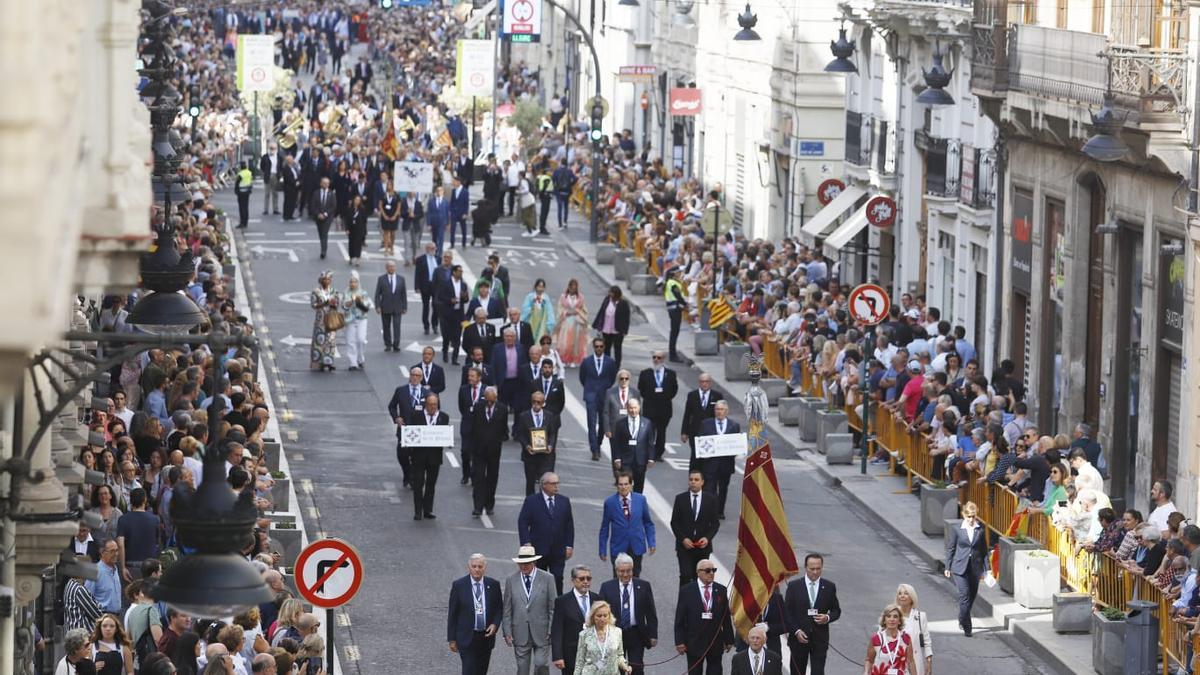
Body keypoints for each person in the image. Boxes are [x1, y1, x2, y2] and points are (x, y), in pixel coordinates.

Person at [599, 554, 658, 675]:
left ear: (633, 569)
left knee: (636, 668)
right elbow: (600, 614)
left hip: (636, 634)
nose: (625, 574)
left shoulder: (643, 586)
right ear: (616, 571)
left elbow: (651, 612)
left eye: (628, 571)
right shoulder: (607, 587)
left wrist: (653, 634)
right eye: (622, 571)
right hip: (614, 635)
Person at [517, 472, 574, 595]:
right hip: (538, 550)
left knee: (558, 578)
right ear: (544, 485)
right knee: (539, 581)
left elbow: (569, 525)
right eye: (553, 483)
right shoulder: (531, 501)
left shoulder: (564, 501)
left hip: (558, 550)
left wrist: (569, 545)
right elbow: (523, 522)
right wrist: (526, 543)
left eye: (558, 483)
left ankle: (557, 606)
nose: (556, 486)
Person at [674, 559, 735, 674]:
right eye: (708, 570)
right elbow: (680, 619)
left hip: (715, 642)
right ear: (698, 572)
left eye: (713, 570)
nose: (711, 573)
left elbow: (725, 617)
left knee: (715, 671)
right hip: (694, 642)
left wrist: (729, 639)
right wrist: (679, 641)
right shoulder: (687, 591)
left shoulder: (721, 590)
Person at [784, 553, 841, 675]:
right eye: (812, 569)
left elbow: (836, 611)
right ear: (805, 568)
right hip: (798, 640)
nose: (815, 572)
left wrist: (827, 617)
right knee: (797, 671)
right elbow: (787, 613)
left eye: (818, 569)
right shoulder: (794, 586)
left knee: (818, 672)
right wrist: (796, 631)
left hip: (819, 640)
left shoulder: (829, 587)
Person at [502, 545, 556, 675]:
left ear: (534, 562)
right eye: (521, 563)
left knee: (541, 664)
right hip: (520, 632)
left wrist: (551, 629)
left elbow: (553, 607)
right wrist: (507, 631)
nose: (523, 566)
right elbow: (507, 608)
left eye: (527, 563)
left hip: (542, 632)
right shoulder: (511, 580)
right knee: (522, 670)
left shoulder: (548, 578)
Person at [447, 553, 502, 675]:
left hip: (485, 637)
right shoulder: (459, 586)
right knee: (468, 671)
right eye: (474, 566)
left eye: (480, 566)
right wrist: (452, 639)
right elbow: (453, 613)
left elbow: (499, 608)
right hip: (466, 637)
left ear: (484, 568)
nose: (477, 569)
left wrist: (495, 624)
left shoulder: (493, 585)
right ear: (469, 567)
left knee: (481, 671)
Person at [599, 472, 656, 576]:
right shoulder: (610, 502)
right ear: (617, 485)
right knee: (618, 579)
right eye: (620, 484)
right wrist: (602, 549)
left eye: (626, 484)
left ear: (631, 484)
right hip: (618, 547)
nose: (623, 487)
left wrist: (651, 542)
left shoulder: (641, 500)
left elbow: (648, 523)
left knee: (635, 577)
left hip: (636, 546)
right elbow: (605, 527)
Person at [944, 501, 987, 637]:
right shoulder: (957, 529)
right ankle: (967, 626)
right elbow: (951, 548)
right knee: (964, 595)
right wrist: (948, 566)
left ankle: (962, 617)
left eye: (973, 516)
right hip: (959, 567)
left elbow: (984, 551)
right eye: (968, 516)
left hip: (975, 568)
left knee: (972, 596)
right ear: (963, 515)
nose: (971, 519)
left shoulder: (980, 529)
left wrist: (988, 570)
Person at [670, 472, 720, 587]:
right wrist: (683, 539)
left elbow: (715, 524)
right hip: (685, 546)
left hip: (702, 547)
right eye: (691, 479)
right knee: (686, 575)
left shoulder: (711, 500)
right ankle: (683, 603)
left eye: (696, 479)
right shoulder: (680, 498)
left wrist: (707, 538)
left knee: (700, 577)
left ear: (702, 482)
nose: (693, 482)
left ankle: (697, 603)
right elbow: (674, 522)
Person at [552, 565, 602, 674]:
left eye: (588, 578)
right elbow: (557, 630)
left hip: (594, 654)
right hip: (571, 654)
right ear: (573, 580)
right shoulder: (562, 601)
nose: (585, 581)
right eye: (581, 578)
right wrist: (557, 656)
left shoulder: (597, 599)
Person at [406, 393, 449, 520]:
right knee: (418, 484)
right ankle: (418, 511)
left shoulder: (443, 417)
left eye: (434, 405)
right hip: (418, 457)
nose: (432, 407)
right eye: (430, 405)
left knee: (431, 485)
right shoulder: (416, 415)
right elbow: (410, 433)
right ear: (426, 404)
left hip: (434, 458)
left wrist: (447, 440)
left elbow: (444, 435)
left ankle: (428, 510)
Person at [388, 366, 430, 487]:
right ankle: (407, 473)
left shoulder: (427, 393)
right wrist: (396, 417)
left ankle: (413, 478)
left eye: (417, 376)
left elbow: (434, 409)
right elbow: (391, 406)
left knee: (417, 456)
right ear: (409, 376)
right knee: (402, 455)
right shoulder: (401, 390)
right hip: (404, 429)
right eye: (413, 375)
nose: (415, 377)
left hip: (420, 430)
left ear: (421, 378)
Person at [698, 402, 740, 519]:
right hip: (710, 463)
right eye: (717, 409)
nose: (719, 412)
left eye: (722, 409)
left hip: (726, 464)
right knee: (709, 489)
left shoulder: (734, 425)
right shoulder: (706, 424)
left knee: (723, 489)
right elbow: (701, 441)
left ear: (726, 411)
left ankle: (720, 511)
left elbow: (737, 443)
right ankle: (709, 512)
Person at [517, 391, 560, 496]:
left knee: (546, 483)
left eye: (538, 402)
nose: (536, 404)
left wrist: (550, 445)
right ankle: (531, 506)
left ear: (543, 403)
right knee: (530, 483)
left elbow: (552, 433)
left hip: (545, 456)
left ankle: (544, 506)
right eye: (534, 402)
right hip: (530, 456)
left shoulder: (549, 416)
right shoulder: (524, 416)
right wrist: (527, 446)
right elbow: (520, 434)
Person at [637, 352, 679, 462]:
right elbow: (641, 388)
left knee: (661, 432)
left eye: (658, 358)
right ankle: (648, 453)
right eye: (654, 357)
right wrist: (650, 396)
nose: (656, 359)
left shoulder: (670, 374)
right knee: (649, 432)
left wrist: (665, 396)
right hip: (650, 407)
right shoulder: (645, 373)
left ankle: (658, 453)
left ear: (663, 359)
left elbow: (674, 389)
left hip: (664, 408)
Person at [580, 339, 618, 461]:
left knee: (603, 423)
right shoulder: (587, 362)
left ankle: (598, 443)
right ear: (593, 347)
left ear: (604, 347)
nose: (599, 349)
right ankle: (594, 450)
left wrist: (605, 389)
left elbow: (612, 378)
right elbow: (583, 378)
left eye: (601, 346)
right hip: (591, 396)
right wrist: (589, 389)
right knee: (591, 423)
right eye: (596, 346)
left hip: (604, 396)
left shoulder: (610, 362)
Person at [575, 601, 633, 675]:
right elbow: (579, 662)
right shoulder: (584, 635)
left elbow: (619, 655)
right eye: (599, 616)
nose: (602, 619)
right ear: (593, 617)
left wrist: (625, 666)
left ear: (609, 616)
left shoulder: (617, 632)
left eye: (605, 615)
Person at [681, 373, 723, 469]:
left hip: (711, 433)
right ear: (699, 383)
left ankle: (705, 479)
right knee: (695, 456)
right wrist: (684, 432)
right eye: (702, 382)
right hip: (695, 431)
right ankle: (693, 479)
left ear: (710, 383)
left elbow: (721, 414)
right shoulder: (692, 395)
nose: (705, 384)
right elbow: (687, 414)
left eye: (707, 382)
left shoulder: (717, 396)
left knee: (708, 458)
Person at [612, 400, 654, 493]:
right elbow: (617, 443)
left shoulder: (647, 423)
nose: (633, 410)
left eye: (635, 408)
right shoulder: (620, 423)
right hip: (625, 460)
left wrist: (651, 458)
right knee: (625, 485)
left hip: (640, 460)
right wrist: (617, 458)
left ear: (639, 408)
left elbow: (650, 442)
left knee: (639, 486)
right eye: (631, 408)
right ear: (627, 409)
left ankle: (636, 504)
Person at [863, 605, 917, 675]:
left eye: (895, 616)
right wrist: (866, 672)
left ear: (899, 621)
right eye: (888, 616)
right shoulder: (876, 639)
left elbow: (911, 661)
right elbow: (869, 660)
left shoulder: (906, 638)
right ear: (884, 620)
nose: (892, 619)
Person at [894, 584, 932, 675]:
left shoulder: (920, 617)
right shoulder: (892, 615)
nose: (902, 596)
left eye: (906, 593)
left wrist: (929, 663)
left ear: (912, 598)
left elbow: (927, 642)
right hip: (894, 662)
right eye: (900, 593)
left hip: (914, 663)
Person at [436, 265, 470, 364]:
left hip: (459, 314)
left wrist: (464, 297)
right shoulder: (445, 283)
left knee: (457, 336)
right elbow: (440, 297)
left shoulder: (463, 284)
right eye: (459, 271)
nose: (461, 273)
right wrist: (450, 300)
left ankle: (455, 358)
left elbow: (466, 300)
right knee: (446, 335)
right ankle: (445, 353)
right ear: (454, 272)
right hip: (447, 314)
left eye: (461, 271)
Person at [553, 279, 590, 367]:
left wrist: (577, 312)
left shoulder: (580, 297)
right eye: (571, 287)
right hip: (566, 322)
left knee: (575, 343)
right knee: (565, 343)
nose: (573, 289)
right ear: (568, 287)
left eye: (574, 287)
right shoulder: (563, 297)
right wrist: (566, 313)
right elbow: (560, 309)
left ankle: (573, 360)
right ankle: (565, 359)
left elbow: (584, 310)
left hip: (577, 322)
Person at [341, 271, 373, 371]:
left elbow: (367, 307)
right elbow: (344, 306)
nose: (353, 284)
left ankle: (360, 358)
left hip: (361, 319)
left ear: (358, 283)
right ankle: (353, 362)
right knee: (351, 341)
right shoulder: (346, 292)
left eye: (355, 282)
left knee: (361, 339)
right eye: (351, 282)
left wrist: (359, 302)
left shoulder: (363, 293)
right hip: (350, 319)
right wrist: (351, 302)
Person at [373, 260, 408, 352]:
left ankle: (396, 344)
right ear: (386, 268)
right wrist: (377, 306)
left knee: (397, 326)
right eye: (390, 266)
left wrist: (404, 307)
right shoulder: (381, 279)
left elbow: (403, 294)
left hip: (397, 306)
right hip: (385, 306)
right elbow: (377, 294)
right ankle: (388, 344)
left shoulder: (401, 279)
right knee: (386, 326)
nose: (392, 268)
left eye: (393, 266)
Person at [592, 286, 631, 367]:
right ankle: (607, 364)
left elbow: (626, 317)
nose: (610, 294)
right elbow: (601, 312)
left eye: (612, 293)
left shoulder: (623, 303)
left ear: (616, 294)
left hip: (617, 330)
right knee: (606, 348)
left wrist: (625, 331)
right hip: (606, 329)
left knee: (617, 349)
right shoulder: (607, 300)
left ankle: (617, 365)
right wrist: (598, 325)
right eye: (610, 293)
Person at [309, 271, 340, 372]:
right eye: (324, 279)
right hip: (320, 320)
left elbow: (337, 304)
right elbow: (313, 305)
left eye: (328, 279)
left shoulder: (334, 291)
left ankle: (328, 362)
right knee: (319, 340)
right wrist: (325, 303)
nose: (326, 281)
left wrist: (334, 304)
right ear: (321, 280)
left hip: (331, 319)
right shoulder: (316, 291)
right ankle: (318, 362)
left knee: (330, 340)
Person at [604, 370, 641, 442]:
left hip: (630, 428)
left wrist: (638, 428)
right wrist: (607, 429)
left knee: (628, 451)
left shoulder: (635, 393)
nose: (624, 380)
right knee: (615, 452)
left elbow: (639, 412)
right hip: (614, 429)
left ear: (629, 380)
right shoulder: (610, 392)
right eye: (621, 378)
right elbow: (606, 413)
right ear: (618, 380)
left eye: (626, 378)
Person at [87, 541, 123, 615]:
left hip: (116, 616)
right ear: (102, 553)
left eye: (117, 550)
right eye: (112, 551)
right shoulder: (95, 571)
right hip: (102, 617)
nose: (116, 554)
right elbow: (87, 599)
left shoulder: (115, 569)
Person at [663, 267, 688, 363]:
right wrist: (685, 304)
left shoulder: (671, 282)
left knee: (674, 332)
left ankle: (672, 353)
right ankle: (673, 355)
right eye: (678, 272)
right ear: (674, 274)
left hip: (673, 309)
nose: (680, 273)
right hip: (675, 309)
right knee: (674, 332)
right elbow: (678, 296)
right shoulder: (673, 283)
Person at [309, 176, 337, 260]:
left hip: (328, 217)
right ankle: (323, 245)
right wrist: (318, 214)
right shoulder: (316, 193)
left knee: (324, 233)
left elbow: (333, 206)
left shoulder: (331, 194)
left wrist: (325, 214)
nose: (325, 185)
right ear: (321, 183)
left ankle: (323, 251)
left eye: (327, 183)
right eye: (324, 183)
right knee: (321, 233)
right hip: (318, 217)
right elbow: (313, 205)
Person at [377, 184, 402, 258]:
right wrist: (384, 215)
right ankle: (386, 249)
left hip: (394, 216)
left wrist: (395, 215)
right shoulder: (384, 195)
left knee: (393, 233)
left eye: (390, 185)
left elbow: (398, 206)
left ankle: (392, 247)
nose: (388, 186)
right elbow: (380, 205)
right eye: (388, 185)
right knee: (386, 232)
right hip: (385, 216)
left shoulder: (397, 195)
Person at [427, 185, 451, 256]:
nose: (439, 192)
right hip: (434, 222)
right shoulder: (431, 201)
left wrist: (448, 223)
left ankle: (439, 253)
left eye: (440, 191)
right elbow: (429, 213)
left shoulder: (446, 201)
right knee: (434, 238)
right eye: (437, 191)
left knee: (441, 238)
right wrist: (429, 224)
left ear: (443, 192)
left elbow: (448, 213)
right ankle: (434, 251)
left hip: (442, 223)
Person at [401, 192, 425, 262]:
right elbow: (401, 213)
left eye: (413, 192)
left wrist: (415, 216)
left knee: (414, 242)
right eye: (410, 192)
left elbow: (421, 214)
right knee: (407, 242)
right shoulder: (404, 202)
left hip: (415, 224)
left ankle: (414, 256)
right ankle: (407, 259)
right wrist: (407, 213)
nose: (411, 194)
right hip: (406, 224)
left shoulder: (418, 203)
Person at [449, 176, 471, 248]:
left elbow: (466, 203)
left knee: (463, 228)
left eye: (454, 181)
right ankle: (452, 243)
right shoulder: (453, 191)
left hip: (462, 212)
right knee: (452, 229)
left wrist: (465, 213)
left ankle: (464, 243)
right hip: (454, 212)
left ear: (458, 182)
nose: (453, 183)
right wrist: (450, 210)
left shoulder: (465, 191)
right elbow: (452, 202)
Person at [235, 161, 253, 229]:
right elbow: (250, 181)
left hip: (241, 192)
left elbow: (237, 183)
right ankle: (245, 222)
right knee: (246, 207)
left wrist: (236, 191)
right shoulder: (249, 172)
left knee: (241, 208)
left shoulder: (240, 174)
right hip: (247, 192)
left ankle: (242, 222)